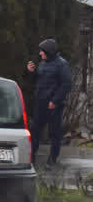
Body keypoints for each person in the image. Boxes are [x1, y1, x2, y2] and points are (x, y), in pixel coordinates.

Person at [26, 38, 73, 166]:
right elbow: (39, 80)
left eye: (42, 51)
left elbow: (66, 84)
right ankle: (32, 158)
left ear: (49, 51)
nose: (40, 54)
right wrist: (32, 72)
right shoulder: (43, 63)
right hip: (40, 102)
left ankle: (52, 160)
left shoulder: (62, 64)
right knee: (35, 131)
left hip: (53, 105)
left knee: (54, 133)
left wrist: (55, 101)